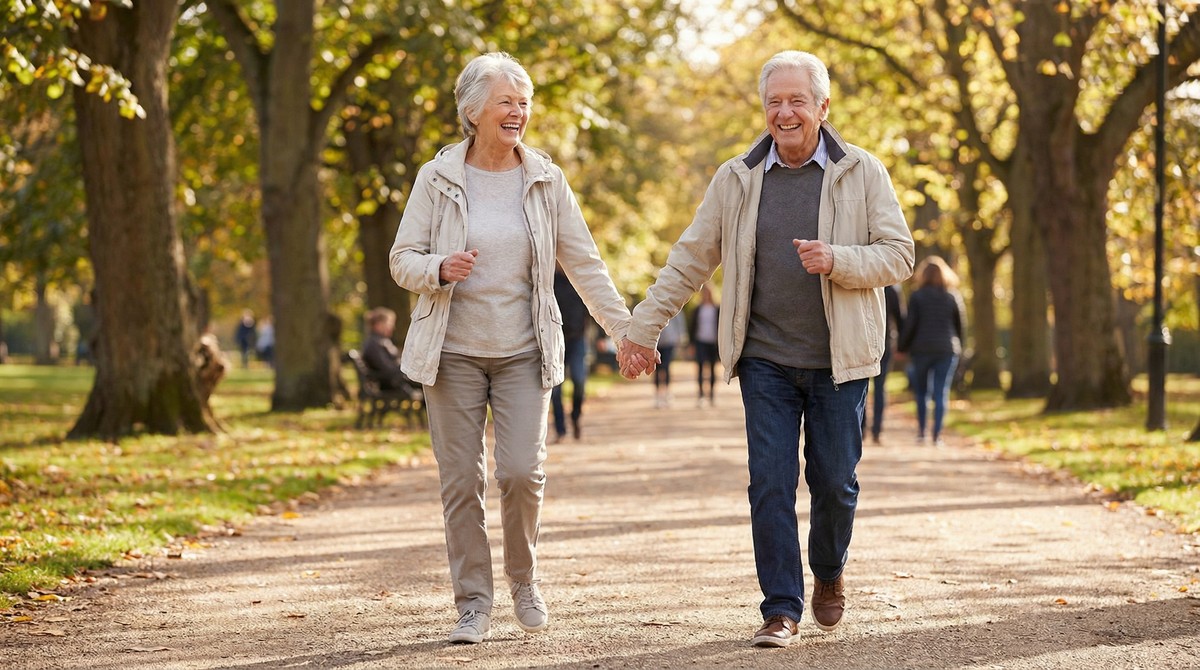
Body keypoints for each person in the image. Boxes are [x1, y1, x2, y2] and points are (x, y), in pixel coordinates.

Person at [617, 51, 914, 648]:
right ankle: (781, 608)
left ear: (822, 107)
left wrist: (839, 260)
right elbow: (690, 258)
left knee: (835, 482)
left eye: (797, 101)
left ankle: (828, 571)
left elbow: (899, 254)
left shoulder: (862, 171)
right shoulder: (737, 178)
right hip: (765, 360)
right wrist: (641, 328)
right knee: (770, 482)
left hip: (841, 360)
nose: (785, 112)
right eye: (774, 102)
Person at [388, 52, 633, 645]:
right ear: (472, 111)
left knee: (522, 472)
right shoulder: (436, 178)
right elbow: (401, 260)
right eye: (506, 101)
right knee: (460, 482)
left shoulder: (544, 179)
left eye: (524, 102)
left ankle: (523, 580)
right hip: (452, 352)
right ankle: (473, 601)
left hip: (525, 348)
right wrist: (439, 268)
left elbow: (583, 263)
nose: (518, 112)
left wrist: (624, 330)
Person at [897, 256, 966, 446]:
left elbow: (910, 325)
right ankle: (937, 435)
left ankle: (921, 433)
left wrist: (902, 347)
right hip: (946, 349)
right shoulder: (953, 296)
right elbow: (960, 327)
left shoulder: (917, 296)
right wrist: (961, 349)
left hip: (922, 349)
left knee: (921, 392)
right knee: (941, 391)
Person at [550, 265, 589, 443]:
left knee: (579, 381)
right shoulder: (549, 279)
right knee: (555, 389)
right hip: (555, 341)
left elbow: (591, 307)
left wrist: (602, 335)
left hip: (577, 340)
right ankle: (560, 429)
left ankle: (575, 417)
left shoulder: (579, 278)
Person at [864, 284, 905, 443]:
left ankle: (862, 429)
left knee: (863, 386)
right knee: (880, 388)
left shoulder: (863, 281)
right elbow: (901, 319)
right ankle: (877, 431)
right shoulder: (893, 289)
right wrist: (901, 346)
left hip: (865, 341)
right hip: (885, 342)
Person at [361, 307, 415, 392]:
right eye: (389, 323)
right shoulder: (374, 344)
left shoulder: (379, 341)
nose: (393, 327)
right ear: (378, 324)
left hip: (396, 380)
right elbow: (387, 369)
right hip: (393, 383)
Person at [689, 284, 720, 407]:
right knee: (701, 368)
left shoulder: (717, 309)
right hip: (700, 341)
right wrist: (691, 344)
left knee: (712, 369)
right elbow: (692, 327)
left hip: (713, 342)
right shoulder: (698, 309)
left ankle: (712, 395)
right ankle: (701, 395)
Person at [653, 311, 687, 408]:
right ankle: (657, 394)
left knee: (666, 367)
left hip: (669, 342)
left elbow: (680, 323)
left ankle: (667, 392)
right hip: (656, 342)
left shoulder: (672, 303)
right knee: (656, 369)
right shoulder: (653, 305)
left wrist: (680, 339)